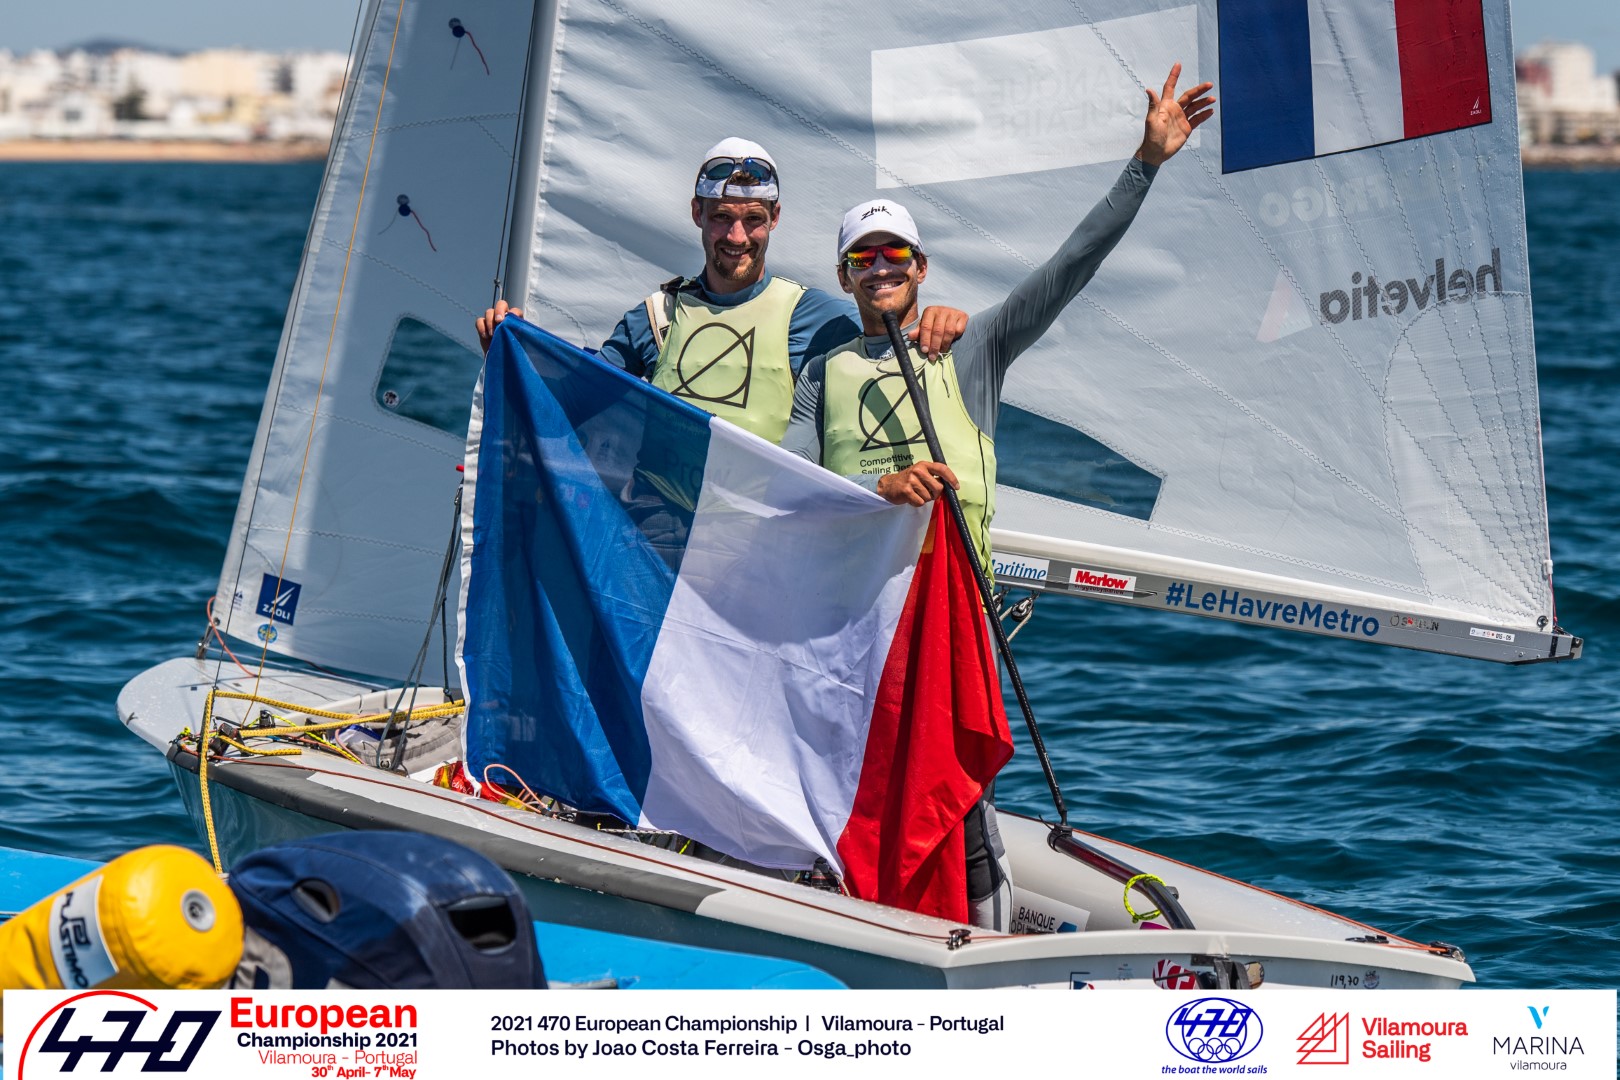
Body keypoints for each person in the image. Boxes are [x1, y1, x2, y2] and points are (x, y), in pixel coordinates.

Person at [781, 64, 1214, 931]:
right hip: (853, 626)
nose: (880, 270)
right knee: (849, 796)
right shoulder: (824, 374)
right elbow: (793, 491)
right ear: (844, 273)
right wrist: (881, 487)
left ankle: (974, 933)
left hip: (951, 622)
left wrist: (1147, 163)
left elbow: (1071, 267)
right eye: (863, 259)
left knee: (957, 794)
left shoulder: (974, 348)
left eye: (895, 256)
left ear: (919, 266)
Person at [477, 138, 968, 444]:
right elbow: (574, 401)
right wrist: (511, 354)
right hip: (661, 548)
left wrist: (938, 319)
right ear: (698, 214)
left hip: (759, 552)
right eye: (722, 218)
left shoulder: (816, 317)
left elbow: (887, 335)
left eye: (753, 220)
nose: (737, 237)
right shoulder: (654, 318)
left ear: (774, 219)